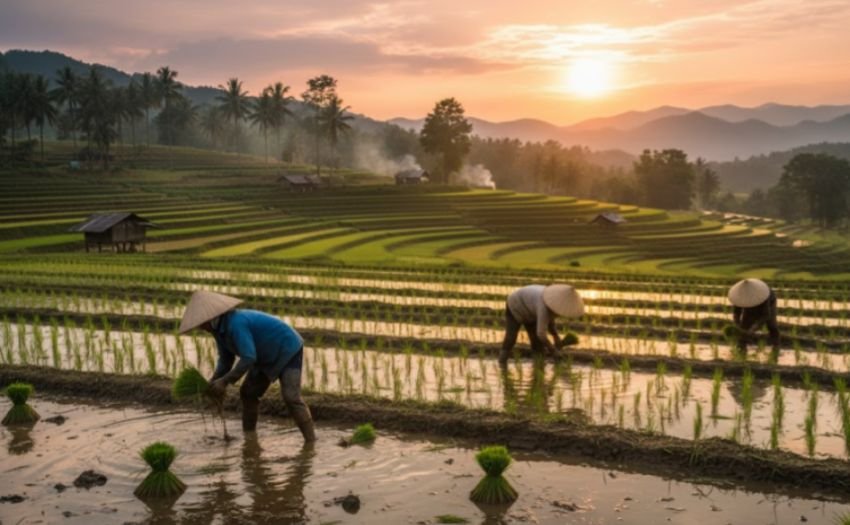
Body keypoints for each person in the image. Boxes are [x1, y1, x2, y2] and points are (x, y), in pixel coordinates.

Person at [179, 290, 316, 442]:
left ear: (210, 318)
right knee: (248, 393)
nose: (200, 328)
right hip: (263, 356)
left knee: (291, 397)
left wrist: (225, 381)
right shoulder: (219, 331)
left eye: (201, 323)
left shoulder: (236, 323)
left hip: (287, 348)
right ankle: (249, 437)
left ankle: (311, 441)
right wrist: (212, 382)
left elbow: (249, 357)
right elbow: (225, 361)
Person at [499, 284, 584, 365]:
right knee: (511, 338)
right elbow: (541, 334)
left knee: (537, 343)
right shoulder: (543, 306)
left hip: (531, 309)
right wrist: (553, 350)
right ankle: (502, 362)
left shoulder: (552, 301)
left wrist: (556, 336)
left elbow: (550, 320)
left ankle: (538, 366)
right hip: (516, 305)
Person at [728, 278, 780, 356]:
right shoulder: (739, 296)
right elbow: (736, 312)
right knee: (744, 326)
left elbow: (766, 315)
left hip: (769, 302)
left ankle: (776, 347)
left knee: (772, 325)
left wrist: (753, 328)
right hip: (749, 305)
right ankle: (741, 348)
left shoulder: (763, 295)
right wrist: (737, 325)